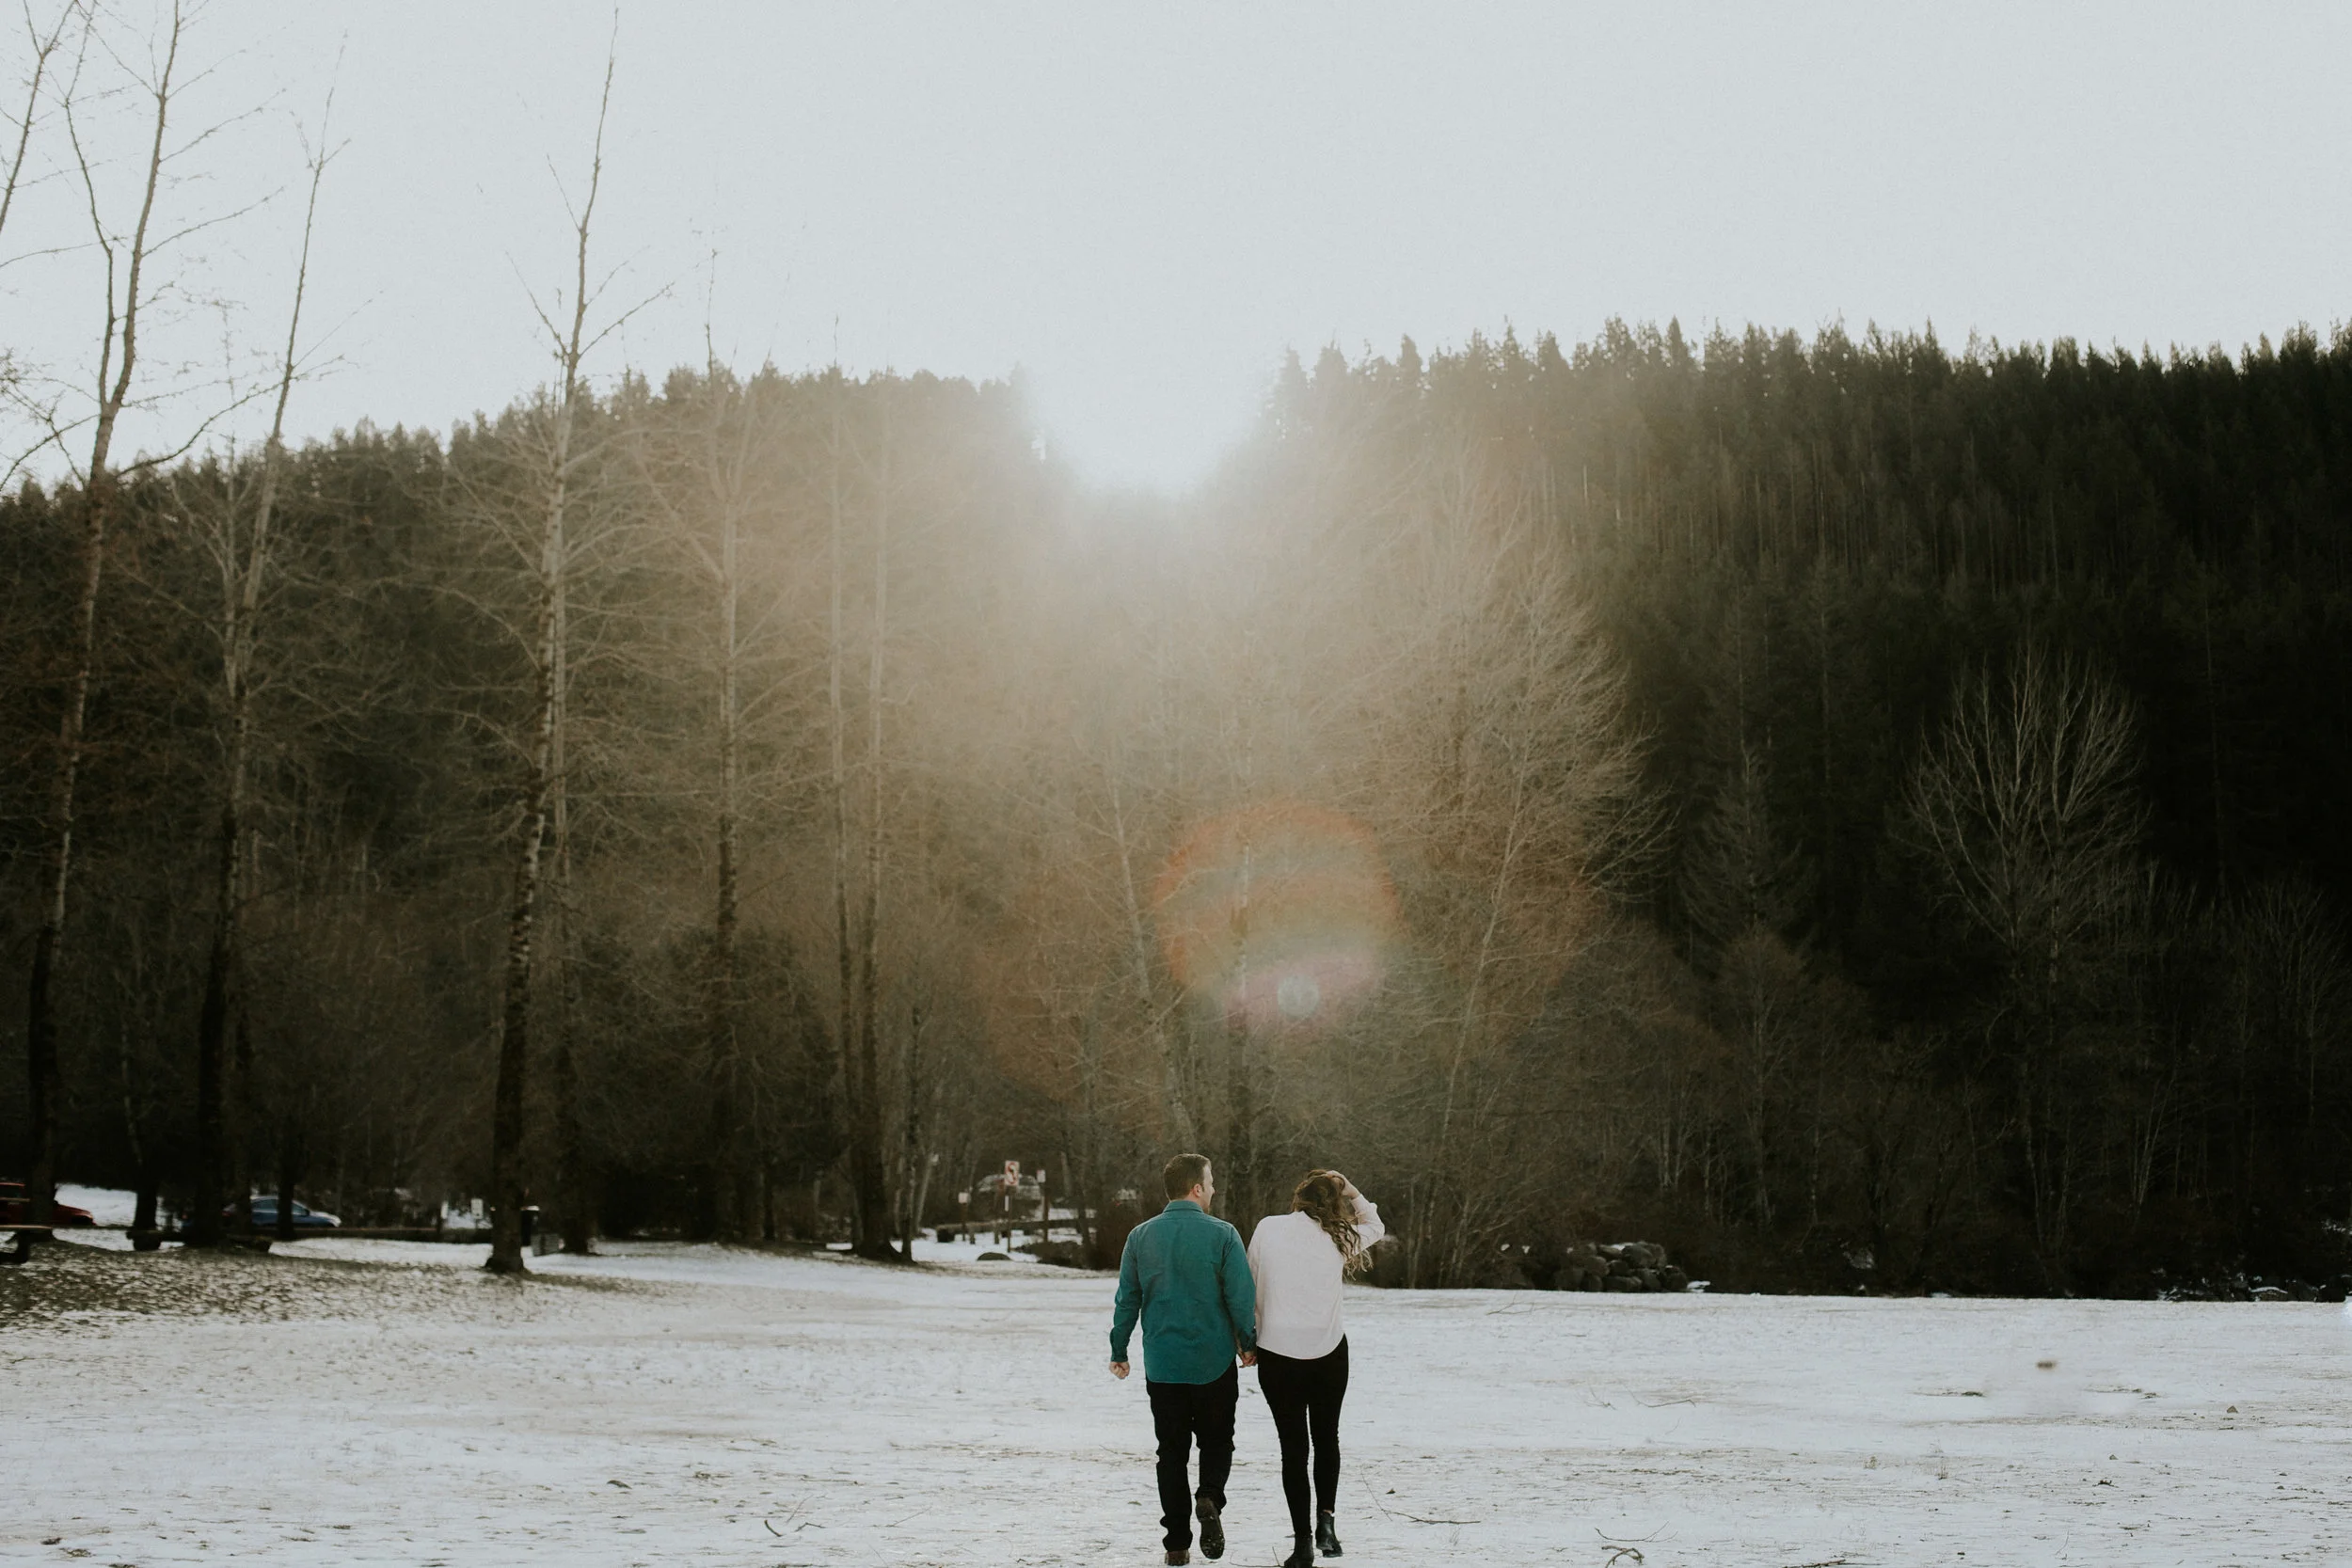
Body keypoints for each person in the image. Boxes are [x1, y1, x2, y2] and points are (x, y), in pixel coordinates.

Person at [1110, 1153, 1259, 1566]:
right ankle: (1209, 1496)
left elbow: (1128, 1299)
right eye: (1209, 1182)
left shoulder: (1140, 1237)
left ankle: (1176, 1543)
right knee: (1217, 1441)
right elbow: (1240, 1297)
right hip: (1213, 1362)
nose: (1212, 1189)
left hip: (1164, 1365)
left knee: (1170, 1452)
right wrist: (1248, 1342)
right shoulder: (1224, 1235)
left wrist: (1119, 1349)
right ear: (1196, 1188)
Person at [1247, 1169, 1383, 1567]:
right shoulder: (1340, 1238)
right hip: (1328, 1353)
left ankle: (1303, 1543)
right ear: (1333, 1205)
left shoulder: (1268, 1228)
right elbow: (1376, 1223)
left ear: (1297, 1198)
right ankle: (1327, 1524)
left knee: (1293, 1449)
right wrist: (1351, 1186)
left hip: (1277, 1352)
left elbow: (1250, 1282)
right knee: (1327, 1440)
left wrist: (1247, 1338)